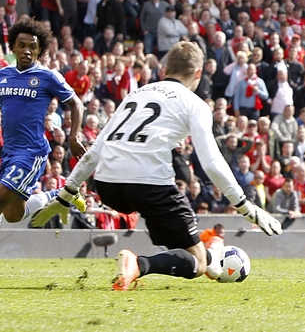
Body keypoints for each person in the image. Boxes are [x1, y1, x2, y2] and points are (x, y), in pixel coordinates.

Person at [31, 42, 282, 290]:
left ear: (165, 70)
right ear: (198, 73)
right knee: (197, 263)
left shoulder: (136, 94)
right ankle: (140, 264)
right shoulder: (194, 104)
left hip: (109, 186)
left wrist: (66, 194)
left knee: (188, 248)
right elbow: (212, 162)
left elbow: (95, 150)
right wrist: (246, 207)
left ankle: (213, 256)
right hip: (148, 185)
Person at [0, 19, 86, 256]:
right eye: (22, 45)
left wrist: (74, 135)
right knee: (13, 215)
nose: (27, 50)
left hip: (32, 153)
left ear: (40, 49)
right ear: (14, 48)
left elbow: (76, 104)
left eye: (33, 46)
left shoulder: (48, 76)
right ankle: (62, 193)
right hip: (10, 152)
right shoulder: (3, 75)